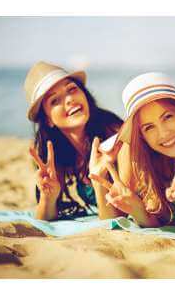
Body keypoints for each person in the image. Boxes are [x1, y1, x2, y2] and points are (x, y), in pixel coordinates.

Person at [90, 72, 175, 235]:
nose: (163, 134)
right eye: (149, 127)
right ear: (141, 136)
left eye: (167, 117)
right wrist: (98, 181)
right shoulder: (132, 154)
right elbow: (114, 223)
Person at [24, 61, 123, 220]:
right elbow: (44, 220)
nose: (69, 99)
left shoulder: (113, 136)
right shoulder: (56, 153)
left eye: (72, 89)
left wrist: (100, 180)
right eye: (55, 101)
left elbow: (114, 220)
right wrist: (48, 197)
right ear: (48, 120)